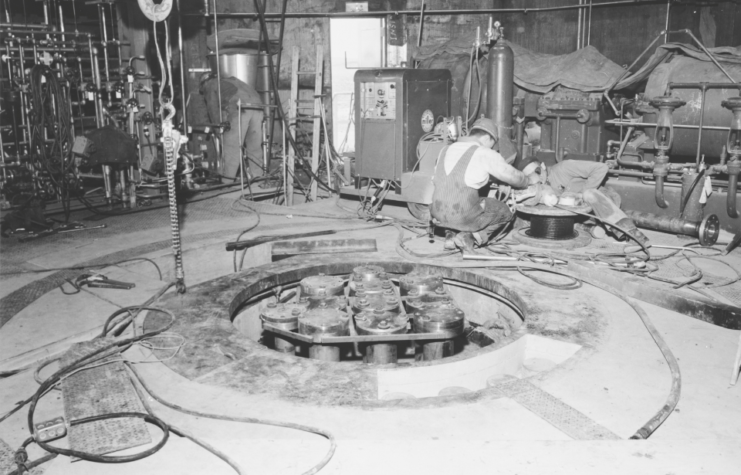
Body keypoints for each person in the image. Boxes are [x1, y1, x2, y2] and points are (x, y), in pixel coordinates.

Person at [430, 118, 539, 252]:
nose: (492, 148)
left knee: (457, 200)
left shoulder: (445, 150)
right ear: (487, 138)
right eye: (492, 144)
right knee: (505, 212)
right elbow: (513, 177)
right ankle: (470, 237)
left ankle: (450, 235)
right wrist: (528, 180)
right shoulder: (483, 152)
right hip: (461, 215)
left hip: (436, 213)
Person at [517, 158, 650, 246]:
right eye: (530, 177)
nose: (537, 177)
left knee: (588, 194)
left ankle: (633, 235)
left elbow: (601, 168)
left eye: (537, 171)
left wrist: (581, 195)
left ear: (543, 166)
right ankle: (589, 228)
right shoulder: (542, 186)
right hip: (582, 215)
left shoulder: (564, 168)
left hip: (601, 201)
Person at [201, 74, 264, 179]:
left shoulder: (210, 84)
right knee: (254, 146)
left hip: (240, 107)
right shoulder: (233, 80)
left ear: (203, 83)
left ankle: (226, 181)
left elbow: (213, 109)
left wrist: (218, 131)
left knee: (231, 147)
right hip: (258, 106)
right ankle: (257, 177)